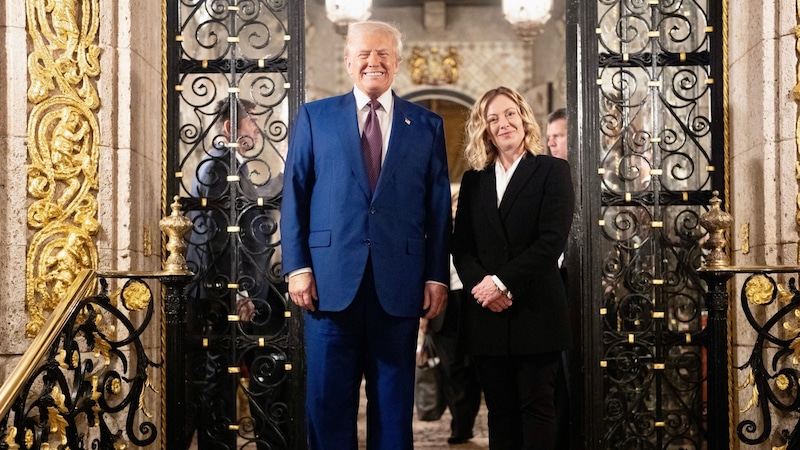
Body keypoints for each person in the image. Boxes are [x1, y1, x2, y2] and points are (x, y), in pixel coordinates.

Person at [280, 20, 451, 450]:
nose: (373, 61)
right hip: (328, 284)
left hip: (399, 285)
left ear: (397, 63)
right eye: (364, 54)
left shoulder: (427, 125)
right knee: (327, 403)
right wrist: (297, 266)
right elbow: (294, 195)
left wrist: (436, 276)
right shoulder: (315, 117)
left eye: (383, 54)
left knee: (393, 408)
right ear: (348, 61)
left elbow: (437, 210)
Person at [452, 86, 575, 449]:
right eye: (493, 119)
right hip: (487, 313)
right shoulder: (475, 180)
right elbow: (461, 247)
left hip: (536, 308)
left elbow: (550, 241)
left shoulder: (552, 171)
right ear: (484, 129)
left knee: (537, 408)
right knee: (499, 411)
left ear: (523, 117)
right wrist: (483, 289)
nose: (503, 123)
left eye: (509, 114)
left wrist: (502, 283)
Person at [185, 97, 283, 449]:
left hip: (235, 291)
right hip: (222, 295)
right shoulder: (217, 168)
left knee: (228, 375)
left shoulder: (234, 165)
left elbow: (245, 221)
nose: (256, 130)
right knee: (218, 379)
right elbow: (215, 238)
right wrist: (237, 293)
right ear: (230, 128)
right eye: (252, 123)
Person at [419, 187, 482, 445]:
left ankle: (466, 420)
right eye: (453, 203)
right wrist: (423, 318)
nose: (455, 208)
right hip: (443, 305)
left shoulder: (476, 230)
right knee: (450, 367)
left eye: (459, 203)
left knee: (472, 366)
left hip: (471, 301)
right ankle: (460, 424)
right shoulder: (436, 232)